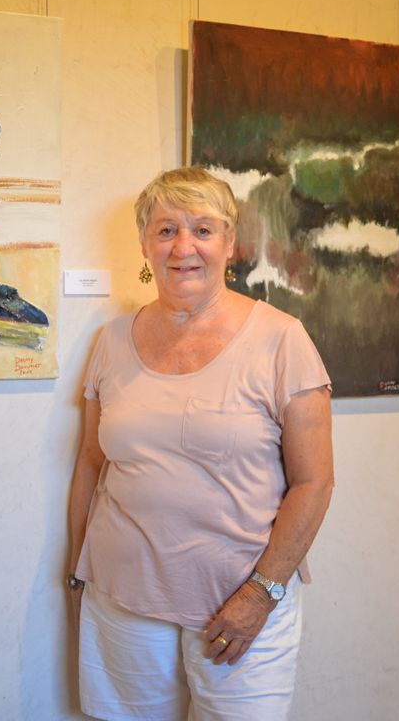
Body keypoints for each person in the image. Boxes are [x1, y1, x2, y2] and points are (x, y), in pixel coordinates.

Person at [67, 167, 335, 720]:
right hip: (122, 600)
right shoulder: (111, 340)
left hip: (238, 607)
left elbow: (315, 482)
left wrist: (260, 594)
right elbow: (91, 464)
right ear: (145, 244)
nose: (183, 247)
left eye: (203, 230)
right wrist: (77, 573)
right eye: (166, 230)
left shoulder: (282, 339)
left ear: (229, 244)